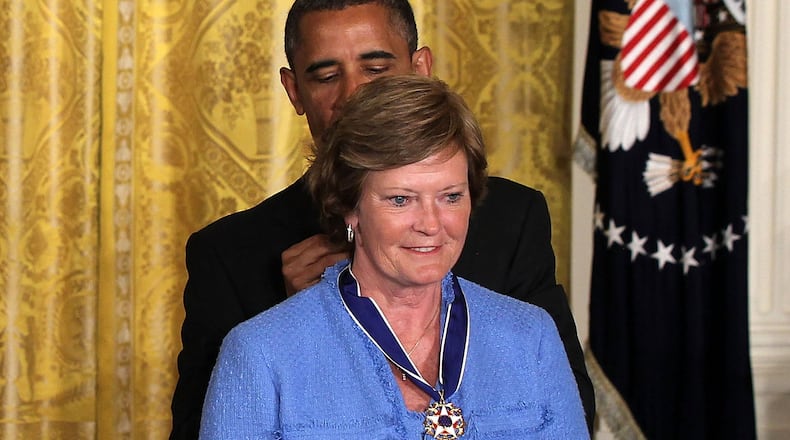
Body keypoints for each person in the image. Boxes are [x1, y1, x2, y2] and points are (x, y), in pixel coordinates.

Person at [171, 1, 594, 438]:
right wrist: (302, 317)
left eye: (375, 69)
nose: (356, 95)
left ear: (420, 67)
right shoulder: (231, 260)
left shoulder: (513, 226)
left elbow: (568, 403)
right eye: (327, 76)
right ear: (295, 90)